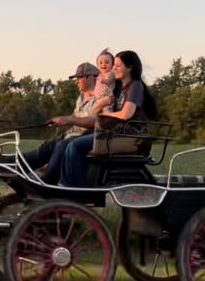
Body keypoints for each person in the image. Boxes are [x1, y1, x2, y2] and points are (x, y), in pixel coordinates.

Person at [60, 50, 157, 186]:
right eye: (114, 65)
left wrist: (107, 115)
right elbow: (94, 111)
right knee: (71, 142)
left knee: (75, 146)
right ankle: (69, 184)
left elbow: (126, 114)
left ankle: (76, 188)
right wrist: (103, 102)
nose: (113, 68)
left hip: (130, 136)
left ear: (129, 68)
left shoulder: (135, 86)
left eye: (118, 65)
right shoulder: (117, 88)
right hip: (116, 132)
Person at [20, 60, 99, 185]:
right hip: (72, 134)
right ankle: (16, 164)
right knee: (47, 147)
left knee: (61, 146)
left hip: (84, 137)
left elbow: (95, 122)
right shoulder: (82, 96)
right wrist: (61, 120)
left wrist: (69, 119)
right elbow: (76, 116)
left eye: (79, 78)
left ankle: (48, 182)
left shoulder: (101, 97)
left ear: (91, 77)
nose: (76, 81)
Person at [91, 48, 116, 114]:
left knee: (107, 112)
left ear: (113, 65)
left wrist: (103, 80)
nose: (103, 65)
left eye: (107, 62)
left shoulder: (111, 73)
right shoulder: (100, 75)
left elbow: (109, 81)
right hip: (99, 99)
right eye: (101, 63)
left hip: (108, 97)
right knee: (96, 113)